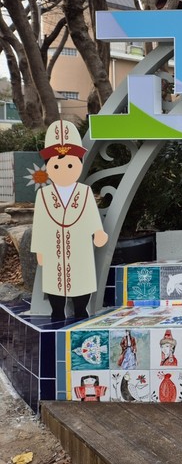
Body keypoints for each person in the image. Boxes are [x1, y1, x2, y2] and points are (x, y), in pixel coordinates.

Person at [31, 120, 108, 321]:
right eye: (57, 166)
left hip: (79, 244)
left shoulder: (85, 192)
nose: (64, 170)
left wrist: (98, 232)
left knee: (81, 279)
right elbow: (39, 224)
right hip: (53, 246)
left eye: (70, 165)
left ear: (79, 164)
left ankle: (81, 310)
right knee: (54, 283)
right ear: (48, 167)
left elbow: (91, 214)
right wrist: (39, 249)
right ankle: (57, 312)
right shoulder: (43, 195)